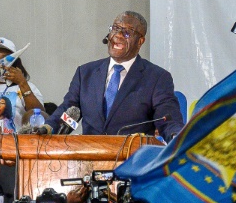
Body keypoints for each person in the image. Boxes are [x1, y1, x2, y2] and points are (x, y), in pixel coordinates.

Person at [45, 11, 184, 140]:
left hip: (131, 161)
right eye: (115, 29)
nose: (118, 35)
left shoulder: (156, 78)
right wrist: (49, 129)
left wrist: (176, 137)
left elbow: (167, 119)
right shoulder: (85, 73)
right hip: (89, 159)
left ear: (140, 41)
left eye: (127, 32)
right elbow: (71, 114)